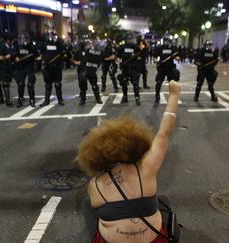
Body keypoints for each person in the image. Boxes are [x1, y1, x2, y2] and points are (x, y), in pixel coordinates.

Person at [78, 80, 181, 243]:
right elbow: (164, 133)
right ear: (133, 144)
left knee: (87, 204)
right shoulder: (146, 168)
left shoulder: (95, 185)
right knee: (164, 201)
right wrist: (174, 95)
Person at [73, 38, 103, 105]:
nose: (88, 46)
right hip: (83, 70)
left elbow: (98, 59)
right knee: (83, 85)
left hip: (91, 70)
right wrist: (79, 63)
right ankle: (83, 99)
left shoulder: (92, 52)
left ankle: (98, 98)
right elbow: (75, 60)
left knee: (94, 85)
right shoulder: (79, 52)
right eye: (87, 44)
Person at [39, 30, 65, 106]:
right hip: (47, 67)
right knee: (48, 85)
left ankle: (60, 100)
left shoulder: (59, 44)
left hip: (56, 67)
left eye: (54, 35)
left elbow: (62, 53)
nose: (52, 37)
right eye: (51, 35)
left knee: (57, 84)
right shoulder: (44, 43)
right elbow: (41, 53)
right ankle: (46, 101)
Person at [13, 32, 38, 107]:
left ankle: (32, 100)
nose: (24, 40)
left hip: (29, 67)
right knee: (20, 84)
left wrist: (38, 58)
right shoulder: (18, 46)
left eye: (25, 39)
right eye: (22, 39)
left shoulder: (32, 46)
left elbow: (36, 55)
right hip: (21, 67)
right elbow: (15, 54)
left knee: (30, 84)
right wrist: (16, 58)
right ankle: (20, 100)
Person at [153, 35, 180, 104]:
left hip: (170, 67)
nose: (166, 42)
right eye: (165, 41)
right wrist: (156, 61)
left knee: (172, 83)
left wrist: (177, 57)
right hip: (162, 67)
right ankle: (157, 95)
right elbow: (155, 56)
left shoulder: (173, 48)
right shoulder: (160, 48)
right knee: (159, 82)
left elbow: (177, 55)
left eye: (167, 41)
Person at [116, 33, 141, 105]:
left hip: (133, 68)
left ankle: (137, 98)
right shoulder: (122, 47)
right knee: (124, 82)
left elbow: (140, 56)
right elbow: (118, 57)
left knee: (135, 83)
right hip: (125, 68)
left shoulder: (135, 47)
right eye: (130, 39)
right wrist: (120, 63)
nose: (131, 40)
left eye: (132, 39)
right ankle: (125, 97)